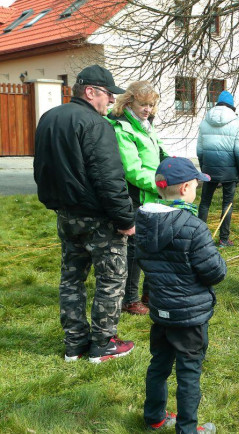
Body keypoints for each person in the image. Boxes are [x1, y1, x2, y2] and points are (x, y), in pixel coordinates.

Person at [33, 65, 136, 363]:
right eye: (107, 95)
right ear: (90, 91)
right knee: (111, 277)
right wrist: (125, 219)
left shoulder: (49, 118)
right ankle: (104, 344)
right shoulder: (95, 124)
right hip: (98, 217)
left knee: (71, 278)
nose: (110, 102)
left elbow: (41, 168)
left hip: (65, 215)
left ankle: (75, 344)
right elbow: (109, 178)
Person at [137, 157, 225, 434]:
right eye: (196, 185)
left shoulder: (144, 222)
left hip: (161, 310)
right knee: (188, 371)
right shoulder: (193, 227)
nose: (197, 189)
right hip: (189, 316)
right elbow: (215, 273)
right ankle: (188, 429)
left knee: (159, 363)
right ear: (186, 187)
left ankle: (154, 417)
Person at [107, 81, 168, 316]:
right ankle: (130, 299)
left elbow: (160, 150)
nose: (148, 109)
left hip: (154, 194)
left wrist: (175, 168)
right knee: (135, 249)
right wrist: (163, 183)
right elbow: (132, 171)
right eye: (143, 104)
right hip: (136, 196)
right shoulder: (123, 128)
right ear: (129, 101)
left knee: (154, 246)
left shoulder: (146, 124)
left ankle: (149, 293)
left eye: (151, 105)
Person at [197, 90, 239, 247]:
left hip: (208, 169)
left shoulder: (204, 121)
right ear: (232, 107)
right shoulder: (238, 123)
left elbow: (199, 150)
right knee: (227, 203)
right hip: (229, 170)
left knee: (205, 203)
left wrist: (204, 166)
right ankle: (224, 239)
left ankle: (199, 239)